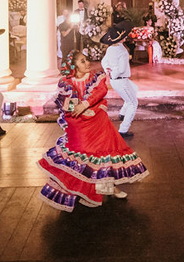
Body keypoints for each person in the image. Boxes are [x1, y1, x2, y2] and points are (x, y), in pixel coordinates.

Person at [38, 50, 148, 212]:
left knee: (104, 156)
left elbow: (100, 92)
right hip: (79, 125)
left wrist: (85, 104)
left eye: (86, 59)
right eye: (82, 61)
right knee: (83, 159)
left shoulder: (95, 77)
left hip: (98, 121)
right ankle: (80, 191)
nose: (87, 63)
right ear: (74, 65)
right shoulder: (66, 82)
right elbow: (63, 102)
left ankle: (109, 188)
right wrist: (75, 107)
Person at [101, 20, 137, 137]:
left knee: (134, 90)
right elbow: (121, 69)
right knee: (133, 103)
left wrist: (108, 70)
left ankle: (122, 114)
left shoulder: (111, 49)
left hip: (119, 80)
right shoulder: (122, 51)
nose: (125, 37)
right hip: (120, 80)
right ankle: (123, 129)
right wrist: (113, 73)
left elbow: (104, 61)